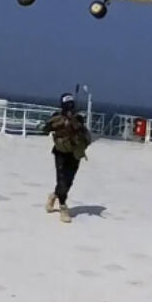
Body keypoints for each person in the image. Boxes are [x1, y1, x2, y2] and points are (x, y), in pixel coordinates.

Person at [41, 93, 92, 223]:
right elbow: (44, 129)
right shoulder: (56, 117)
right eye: (67, 108)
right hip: (60, 152)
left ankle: (54, 195)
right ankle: (63, 207)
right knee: (62, 179)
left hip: (75, 153)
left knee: (69, 181)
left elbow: (81, 131)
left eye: (71, 107)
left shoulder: (78, 118)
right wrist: (54, 125)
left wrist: (73, 123)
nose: (69, 110)